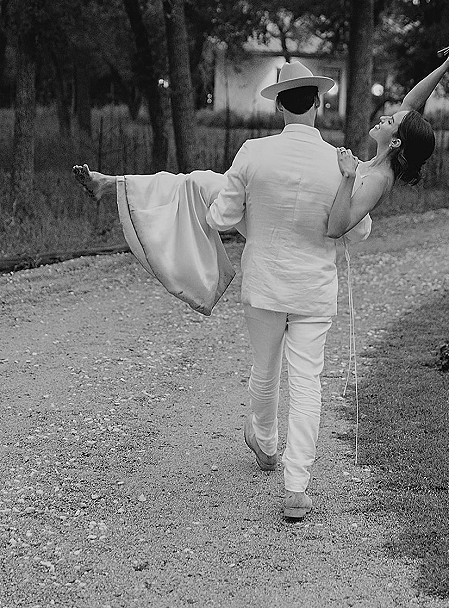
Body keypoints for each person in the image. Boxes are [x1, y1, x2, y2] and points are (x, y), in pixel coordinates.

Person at [73, 60, 371, 522]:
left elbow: (219, 220)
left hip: (265, 282)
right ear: (317, 103)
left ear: (279, 108)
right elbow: (358, 230)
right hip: (314, 289)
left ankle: (267, 445)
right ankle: (297, 487)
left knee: (265, 368)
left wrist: (254, 216)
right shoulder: (339, 162)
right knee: (307, 381)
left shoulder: (253, 153)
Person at [327, 37, 449, 239]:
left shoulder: (379, 179)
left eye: (390, 122)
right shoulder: (379, 166)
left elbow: (335, 229)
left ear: (395, 142)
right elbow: (411, 103)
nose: (384, 117)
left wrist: (349, 176)